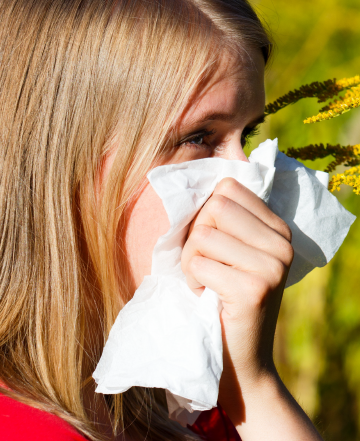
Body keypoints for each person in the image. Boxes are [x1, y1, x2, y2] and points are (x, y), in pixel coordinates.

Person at [0, 1, 324, 440]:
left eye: (246, 136)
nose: (247, 184)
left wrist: (252, 384)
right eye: (199, 138)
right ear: (65, 162)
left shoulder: (187, 405)